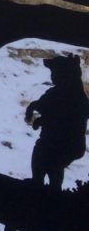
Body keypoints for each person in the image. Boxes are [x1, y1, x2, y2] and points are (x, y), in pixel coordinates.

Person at [25, 53, 89, 190]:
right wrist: (35, 111)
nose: (53, 76)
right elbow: (44, 106)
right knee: (45, 157)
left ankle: (49, 189)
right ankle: (41, 185)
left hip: (67, 143)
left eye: (55, 73)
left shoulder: (75, 97)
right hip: (54, 140)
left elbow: (66, 117)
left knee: (49, 159)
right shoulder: (56, 93)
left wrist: (43, 118)